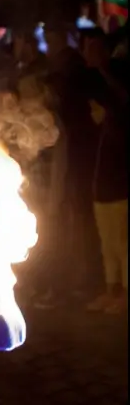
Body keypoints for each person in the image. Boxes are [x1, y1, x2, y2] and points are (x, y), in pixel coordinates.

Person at [81, 29, 128, 314]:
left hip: (120, 187)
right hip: (103, 188)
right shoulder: (105, 125)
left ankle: (124, 296)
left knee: (123, 244)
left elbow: (121, 96)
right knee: (108, 246)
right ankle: (112, 291)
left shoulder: (120, 121)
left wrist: (104, 68)